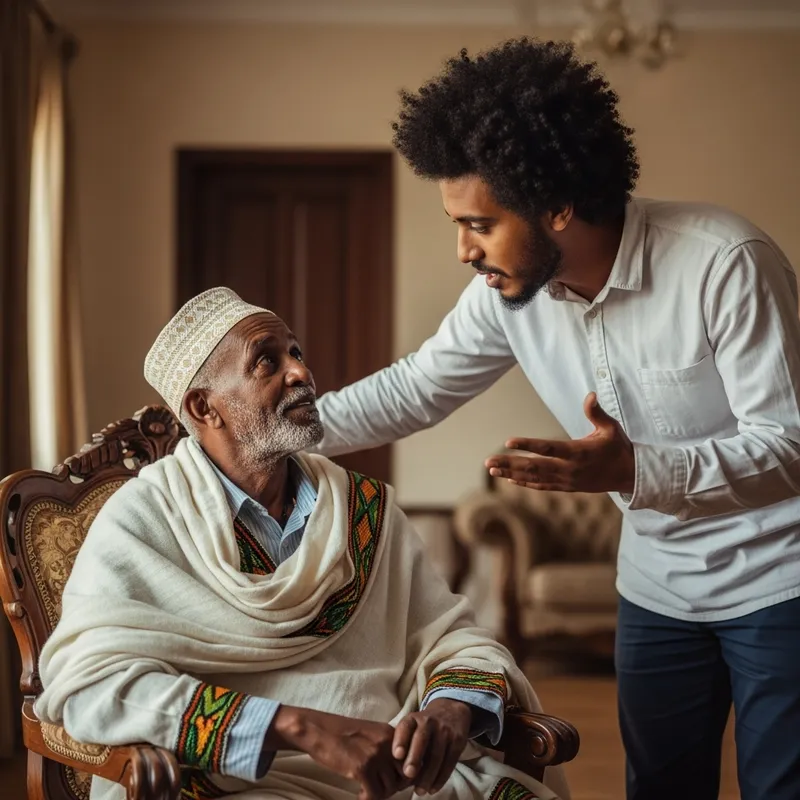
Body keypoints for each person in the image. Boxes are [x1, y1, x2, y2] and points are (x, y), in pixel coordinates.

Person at [312, 37, 800, 800]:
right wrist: (276, 432)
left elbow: (788, 446)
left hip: (781, 585)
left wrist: (637, 468)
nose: (463, 250)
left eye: (478, 223)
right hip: (657, 592)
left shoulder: (724, 262)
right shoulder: (508, 295)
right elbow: (415, 388)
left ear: (557, 206)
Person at [35, 287, 569, 800]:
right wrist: (297, 727)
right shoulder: (144, 519)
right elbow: (87, 684)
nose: (302, 372)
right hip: (240, 783)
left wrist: (451, 709)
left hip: (404, 778)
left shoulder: (365, 508)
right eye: (266, 361)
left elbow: (453, 638)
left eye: (296, 352)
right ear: (204, 408)